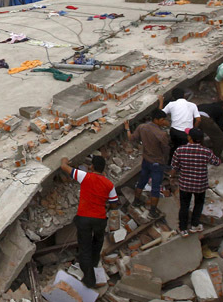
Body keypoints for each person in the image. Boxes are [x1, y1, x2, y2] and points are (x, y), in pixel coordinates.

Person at [58, 154, 118, 288]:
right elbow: (114, 203)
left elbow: (63, 166)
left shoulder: (85, 176)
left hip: (84, 218)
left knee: (85, 247)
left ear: (92, 167)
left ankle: (89, 279)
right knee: (97, 242)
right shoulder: (109, 184)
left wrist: (65, 159)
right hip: (100, 219)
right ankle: (94, 263)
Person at [170, 129, 222, 234]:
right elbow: (216, 162)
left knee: (184, 205)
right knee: (198, 204)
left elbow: (174, 166)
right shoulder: (206, 151)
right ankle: (194, 225)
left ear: (189, 138)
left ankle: (183, 228)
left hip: (185, 183)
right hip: (200, 184)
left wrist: (172, 176)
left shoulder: (180, 150)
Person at [124, 109, 170, 212]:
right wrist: (165, 162)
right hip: (157, 163)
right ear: (156, 120)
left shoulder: (142, 127)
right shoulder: (161, 135)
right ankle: (153, 211)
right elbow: (166, 150)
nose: (164, 122)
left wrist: (127, 129)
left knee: (142, 181)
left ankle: (136, 201)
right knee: (155, 188)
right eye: (162, 120)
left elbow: (131, 138)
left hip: (146, 160)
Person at [160, 89, 201, 158]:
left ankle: (173, 161)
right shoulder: (192, 105)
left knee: (175, 148)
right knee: (186, 151)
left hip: (174, 131)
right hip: (187, 133)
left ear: (173, 97)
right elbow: (198, 120)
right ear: (184, 95)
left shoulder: (171, 104)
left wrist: (161, 101)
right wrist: (194, 129)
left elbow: (160, 114)